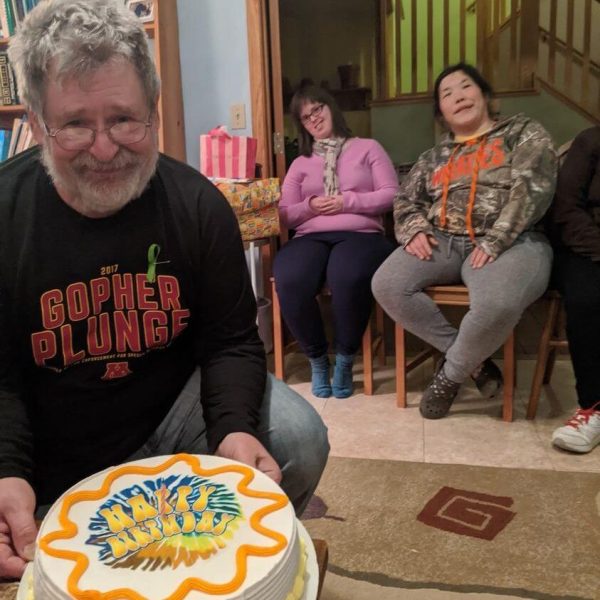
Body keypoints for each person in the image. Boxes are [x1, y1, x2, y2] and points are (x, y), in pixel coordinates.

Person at [0, 0, 329, 580]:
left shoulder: (198, 204)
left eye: (124, 119)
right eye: (76, 124)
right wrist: (8, 469)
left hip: (170, 411)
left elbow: (230, 342)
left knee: (297, 438)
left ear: (153, 110)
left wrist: (232, 430)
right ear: (37, 119)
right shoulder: (5, 213)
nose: (105, 149)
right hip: (49, 443)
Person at [372, 63, 557, 419]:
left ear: (485, 95)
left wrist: (497, 239)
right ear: (441, 112)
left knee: (498, 303)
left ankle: (450, 376)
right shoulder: (433, 157)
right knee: (388, 283)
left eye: (465, 86)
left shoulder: (523, 133)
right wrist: (413, 228)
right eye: (447, 93)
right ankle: (476, 363)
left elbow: (533, 188)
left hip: (515, 240)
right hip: (444, 239)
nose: (458, 96)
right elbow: (404, 200)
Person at [273, 86, 398, 399]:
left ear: (331, 108)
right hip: (311, 234)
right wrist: (310, 206)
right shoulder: (300, 163)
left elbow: (391, 194)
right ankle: (317, 359)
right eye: (305, 117)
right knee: (290, 277)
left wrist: (347, 202)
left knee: (348, 274)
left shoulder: (368, 147)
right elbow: (286, 215)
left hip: (361, 233)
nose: (314, 118)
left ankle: (344, 358)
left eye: (318, 109)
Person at [548, 126, 600, 453]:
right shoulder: (590, 140)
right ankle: (593, 408)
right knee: (587, 300)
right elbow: (565, 208)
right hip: (587, 245)